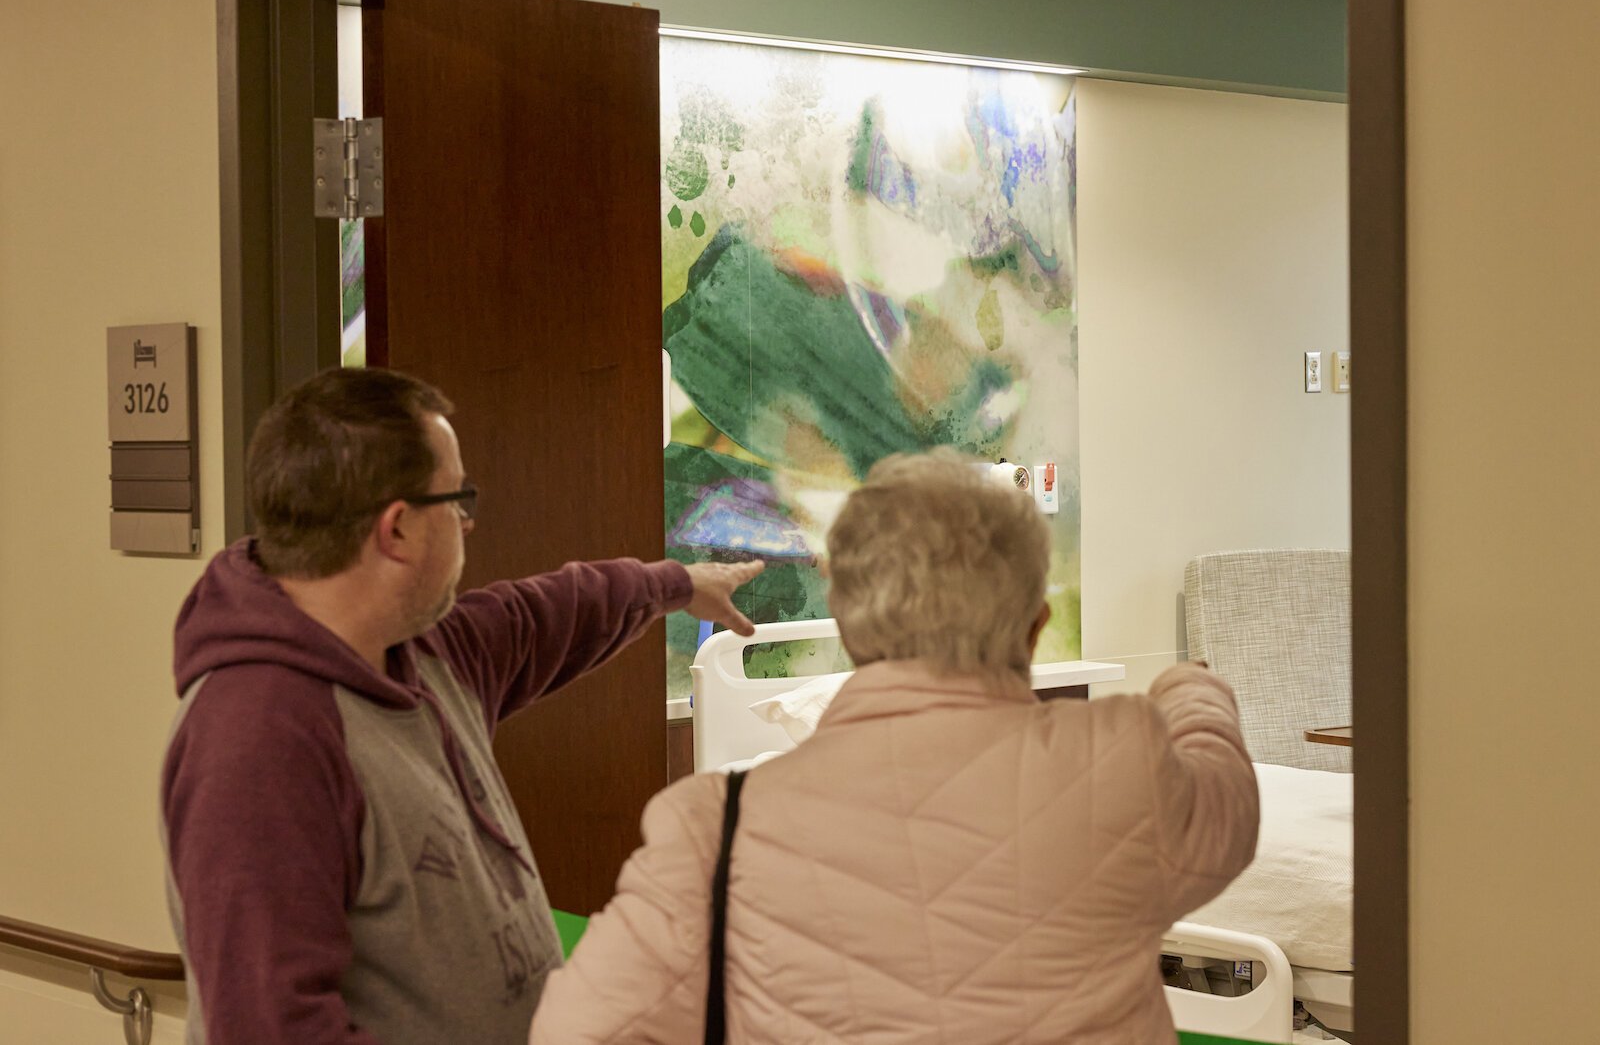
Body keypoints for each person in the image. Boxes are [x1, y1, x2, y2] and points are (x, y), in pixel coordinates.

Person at [529, 449, 1259, 1044]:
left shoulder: (711, 829)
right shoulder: (1124, 763)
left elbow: (574, 1031)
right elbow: (1227, 797)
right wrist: (1189, 690)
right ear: (1033, 628)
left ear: (846, 627)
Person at [160, 367, 762, 1045]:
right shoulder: (259, 739)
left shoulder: (423, 654)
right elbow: (270, 1029)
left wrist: (675, 584)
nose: (469, 521)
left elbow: (546, 612)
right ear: (397, 530)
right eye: (458, 498)